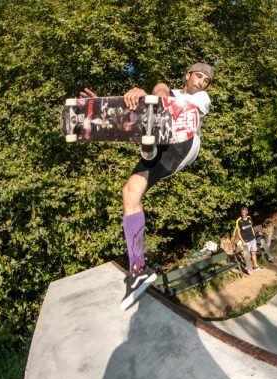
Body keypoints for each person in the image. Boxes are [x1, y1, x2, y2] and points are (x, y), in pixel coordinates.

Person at [80, 63, 213, 310]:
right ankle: (138, 268)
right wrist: (103, 108)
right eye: (198, 76)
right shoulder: (172, 90)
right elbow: (129, 111)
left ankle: (151, 141)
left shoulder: (201, 98)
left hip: (182, 144)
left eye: (206, 80)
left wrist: (149, 97)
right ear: (187, 75)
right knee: (130, 192)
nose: (201, 82)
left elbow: (172, 103)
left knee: (158, 90)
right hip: (157, 142)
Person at [235, 206, 262, 272]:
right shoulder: (238, 221)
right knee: (247, 255)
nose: (243, 214)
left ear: (247, 212)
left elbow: (251, 227)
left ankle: (255, 266)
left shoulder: (249, 218)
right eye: (242, 212)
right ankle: (248, 267)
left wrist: (254, 236)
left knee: (253, 253)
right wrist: (243, 241)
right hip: (245, 240)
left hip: (252, 239)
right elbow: (238, 233)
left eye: (244, 212)